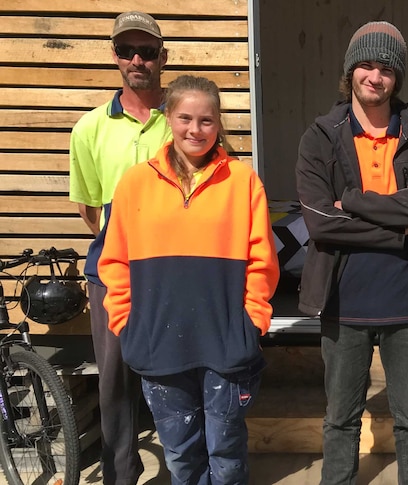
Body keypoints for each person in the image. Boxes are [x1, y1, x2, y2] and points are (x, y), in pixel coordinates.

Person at [295, 20, 408, 485]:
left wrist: (350, 201)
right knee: (340, 420)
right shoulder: (319, 137)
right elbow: (318, 223)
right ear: (350, 71)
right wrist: (402, 224)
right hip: (343, 301)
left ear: (398, 77)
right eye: (366, 65)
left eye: (386, 68)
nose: (376, 76)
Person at [99, 75, 280, 484]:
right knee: (181, 458)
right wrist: (127, 326)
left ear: (218, 124)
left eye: (206, 120)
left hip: (226, 346)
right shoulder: (134, 184)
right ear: (168, 117)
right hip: (158, 345)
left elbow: (262, 262)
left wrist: (252, 323)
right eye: (185, 118)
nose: (195, 130)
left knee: (227, 455)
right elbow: (115, 263)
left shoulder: (242, 181)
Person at [68, 11, 169, 484]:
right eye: (127, 50)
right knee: (114, 383)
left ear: (161, 57)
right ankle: (121, 477)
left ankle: (183, 471)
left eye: (147, 51)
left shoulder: (183, 121)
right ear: (114, 57)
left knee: (175, 373)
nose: (137, 59)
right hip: (112, 271)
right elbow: (90, 209)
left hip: (173, 270)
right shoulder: (88, 129)